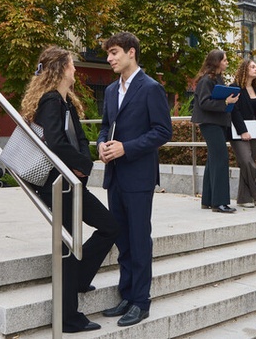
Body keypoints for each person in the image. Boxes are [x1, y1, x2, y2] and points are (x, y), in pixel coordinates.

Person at [20, 46, 120, 333]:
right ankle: (68, 318)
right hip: (59, 182)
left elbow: (70, 139)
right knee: (69, 245)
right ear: (61, 69)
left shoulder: (63, 100)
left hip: (68, 182)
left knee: (107, 227)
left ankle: (79, 276)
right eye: (72, 65)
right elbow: (55, 143)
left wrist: (80, 165)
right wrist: (83, 164)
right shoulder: (52, 99)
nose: (75, 68)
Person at [97, 32, 172, 327]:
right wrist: (103, 144)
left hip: (139, 177)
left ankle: (141, 302)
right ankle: (126, 295)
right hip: (115, 175)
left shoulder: (151, 88)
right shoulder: (111, 90)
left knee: (139, 240)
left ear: (131, 52)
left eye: (114, 52)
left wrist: (126, 147)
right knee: (123, 240)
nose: (109, 59)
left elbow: (163, 131)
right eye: (108, 54)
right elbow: (105, 127)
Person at [191, 49, 239, 213]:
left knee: (213, 160)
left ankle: (208, 200)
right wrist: (226, 102)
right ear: (216, 62)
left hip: (217, 122)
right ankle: (219, 203)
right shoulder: (206, 80)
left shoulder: (217, 78)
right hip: (209, 123)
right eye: (224, 60)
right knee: (220, 158)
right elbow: (204, 103)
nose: (226, 62)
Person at [230, 59, 256, 208]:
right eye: (252, 67)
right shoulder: (234, 87)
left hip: (254, 131)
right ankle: (255, 189)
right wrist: (243, 131)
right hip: (238, 132)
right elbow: (234, 111)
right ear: (244, 69)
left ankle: (244, 199)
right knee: (246, 161)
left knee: (247, 165)